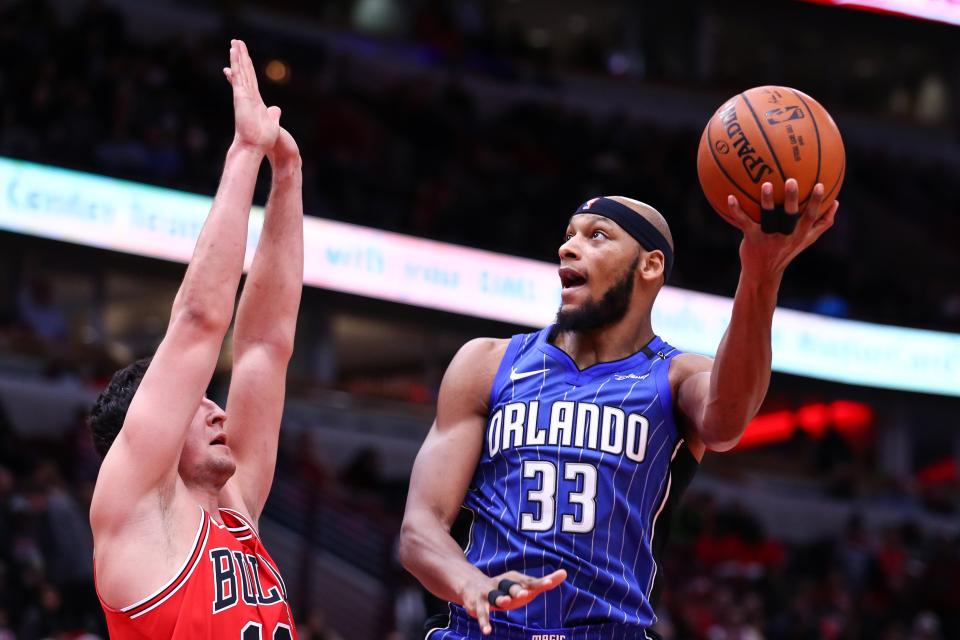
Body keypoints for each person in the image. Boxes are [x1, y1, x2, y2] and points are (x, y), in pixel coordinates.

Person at [400, 183, 838, 638]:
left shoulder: (677, 377)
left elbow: (726, 423)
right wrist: (474, 584)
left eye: (597, 235)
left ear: (650, 264)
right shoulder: (485, 363)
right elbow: (419, 529)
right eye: (569, 234)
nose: (567, 247)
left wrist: (760, 272)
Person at [87, 40, 303, 638]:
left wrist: (286, 177)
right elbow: (198, 324)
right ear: (148, 428)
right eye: (196, 400)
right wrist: (244, 153)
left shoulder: (236, 507)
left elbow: (265, 345)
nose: (215, 408)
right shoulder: (134, 512)